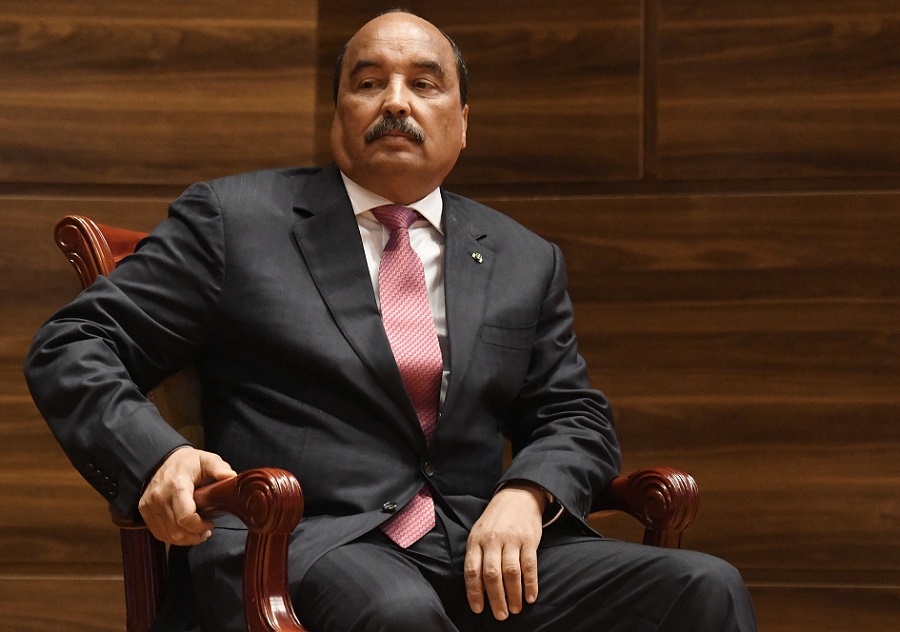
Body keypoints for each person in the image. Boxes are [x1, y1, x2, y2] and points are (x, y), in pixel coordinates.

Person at [25, 9, 757, 632]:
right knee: (397, 611)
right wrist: (158, 457)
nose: (395, 102)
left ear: (463, 123)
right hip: (303, 541)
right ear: (339, 113)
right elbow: (75, 344)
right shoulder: (237, 221)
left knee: (702, 587)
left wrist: (526, 494)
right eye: (368, 83)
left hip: (478, 546)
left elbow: (573, 414)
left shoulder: (523, 258)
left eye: (424, 83)